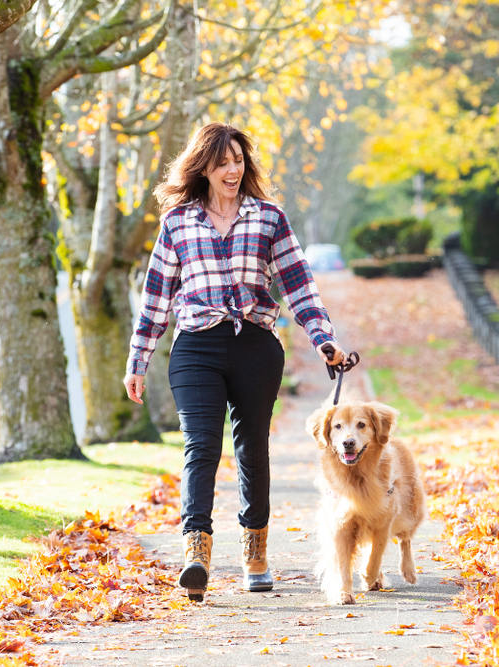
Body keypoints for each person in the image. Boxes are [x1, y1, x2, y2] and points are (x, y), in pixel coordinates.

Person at [123, 122, 346, 602]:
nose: (232, 169)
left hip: (255, 347)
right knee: (200, 446)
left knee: (251, 449)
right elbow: (156, 299)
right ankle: (196, 555)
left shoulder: (268, 218)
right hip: (196, 348)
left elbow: (297, 284)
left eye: (238, 161)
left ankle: (255, 555)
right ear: (203, 166)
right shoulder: (178, 223)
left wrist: (323, 339)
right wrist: (137, 361)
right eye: (222, 161)